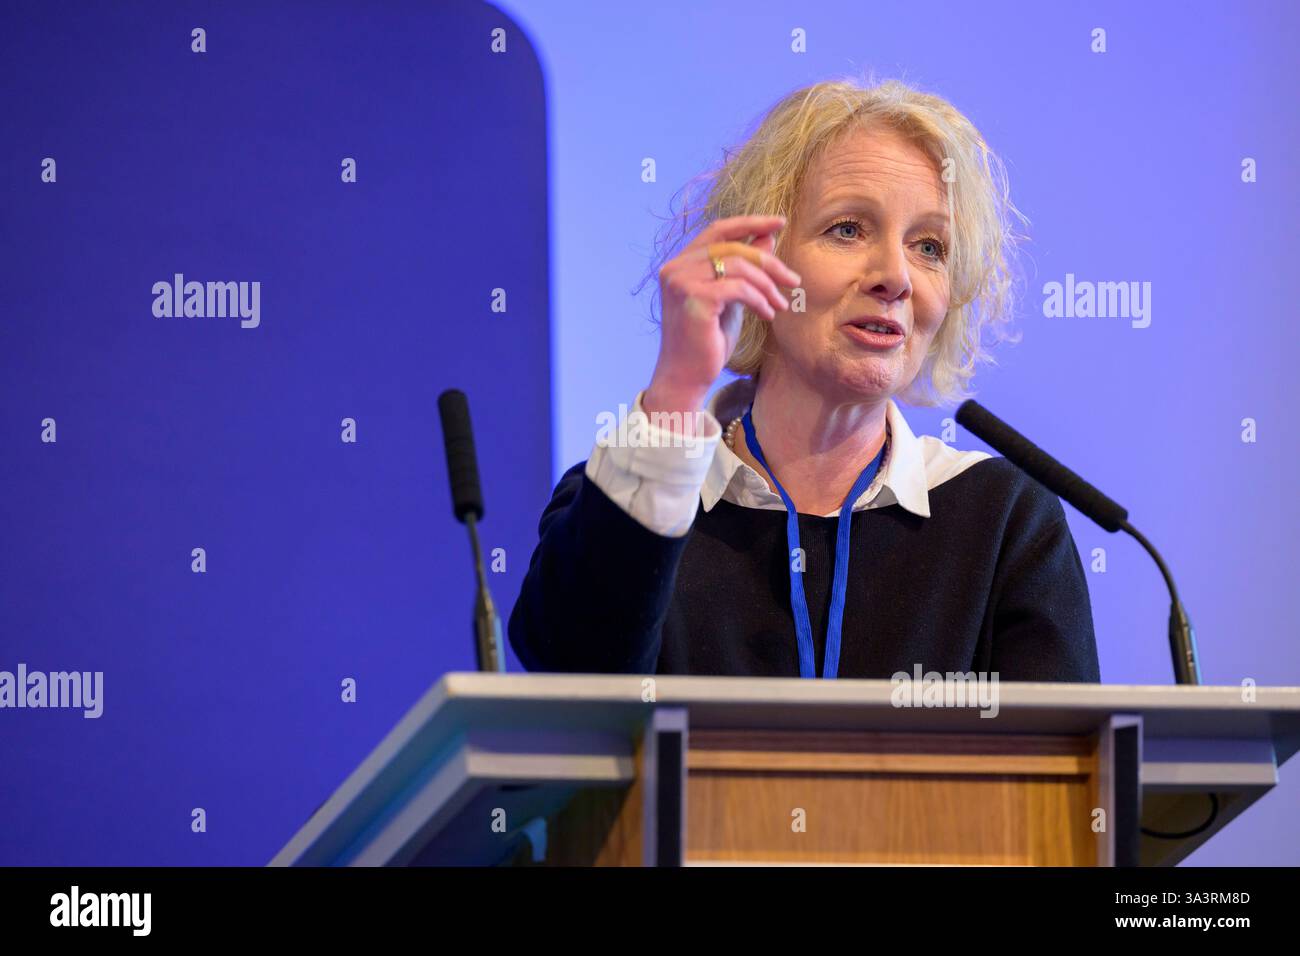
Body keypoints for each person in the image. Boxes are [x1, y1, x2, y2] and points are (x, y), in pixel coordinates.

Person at [508, 76, 1100, 681]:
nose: (895, 276)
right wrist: (677, 394)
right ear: (752, 262)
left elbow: (1067, 769)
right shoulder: (630, 505)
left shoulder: (1003, 520)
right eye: (848, 229)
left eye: (929, 246)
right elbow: (572, 681)